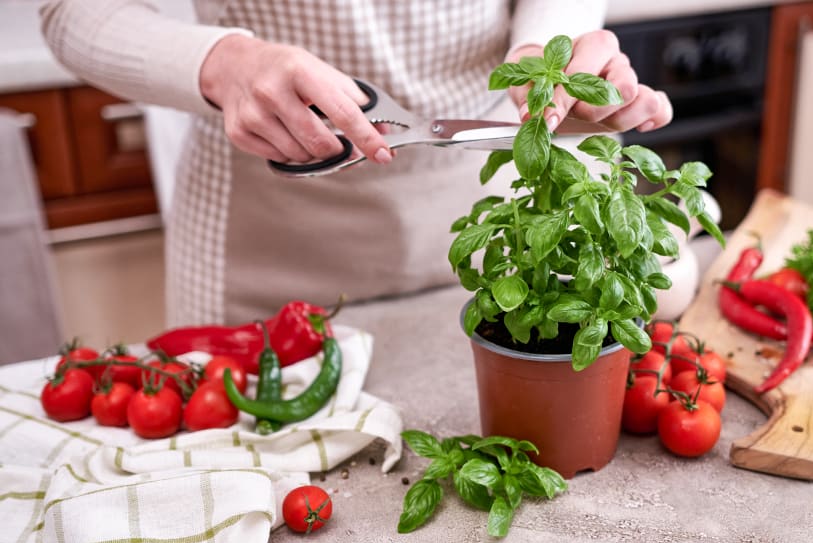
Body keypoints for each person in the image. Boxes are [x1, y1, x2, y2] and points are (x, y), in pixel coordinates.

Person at [41, 0, 673, 327]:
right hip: (262, 239)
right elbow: (72, 11)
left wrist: (546, 48)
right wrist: (222, 63)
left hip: (488, 222)